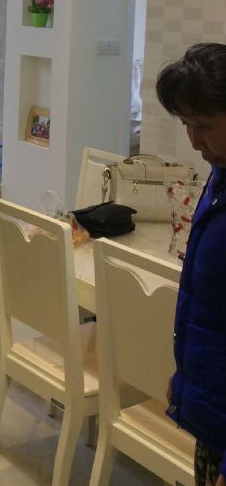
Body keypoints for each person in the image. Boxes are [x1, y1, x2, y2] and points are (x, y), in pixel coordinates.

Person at [156, 42, 226, 486]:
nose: (194, 142)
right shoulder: (221, 174)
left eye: (204, 126)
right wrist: (188, 377)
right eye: (186, 125)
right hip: (214, 415)